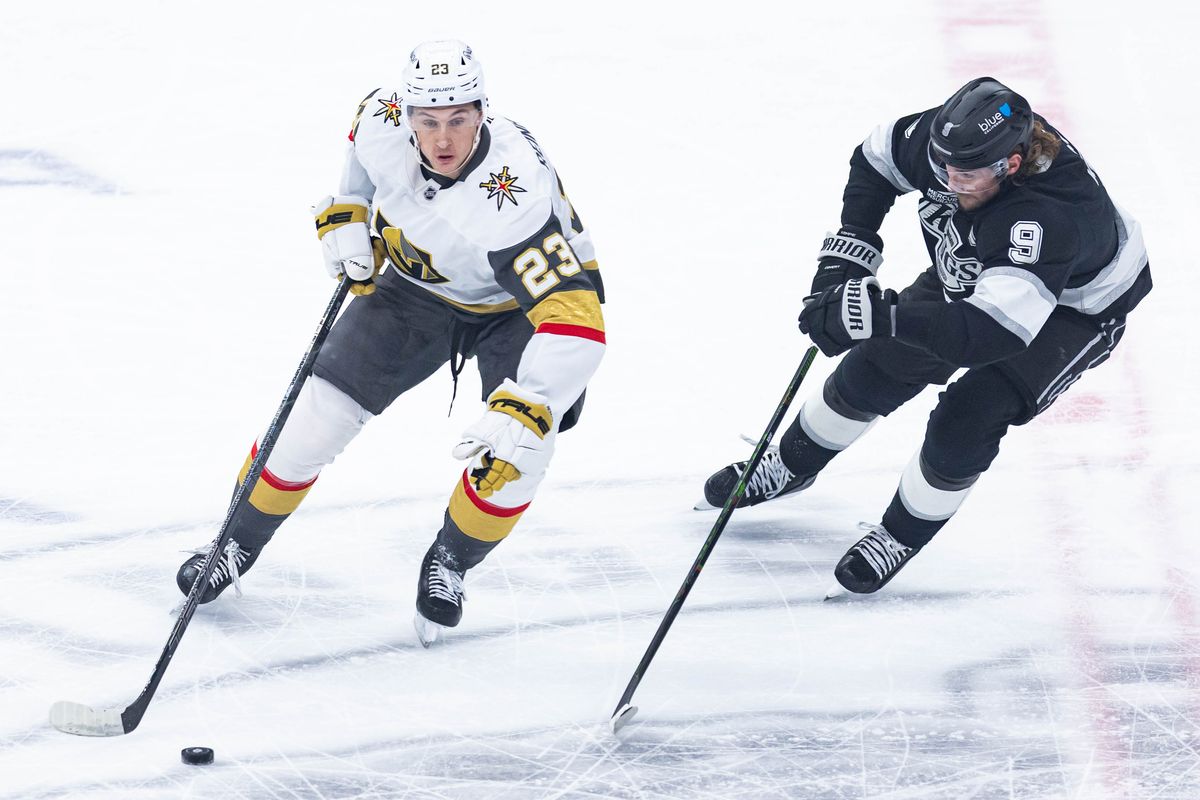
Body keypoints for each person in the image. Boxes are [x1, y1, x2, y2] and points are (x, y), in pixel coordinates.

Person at [176, 40, 606, 645]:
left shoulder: (513, 194)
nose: (443, 141)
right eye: (427, 122)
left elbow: (578, 318)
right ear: (404, 115)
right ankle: (233, 545)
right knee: (312, 420)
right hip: (415, 291)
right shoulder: (379, 116)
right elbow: (359, 168)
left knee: (519, 453)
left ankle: (451, 559)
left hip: (517, 311)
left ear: (483, 110)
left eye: (459, 120)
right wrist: (349, 213)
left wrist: (534, 399)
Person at [702, 77, 1150, 594]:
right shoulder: (951, 146)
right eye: (941, 168)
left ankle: (901, 534)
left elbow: (986, 333)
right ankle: (790, 465)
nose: (946, 181)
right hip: (986, 267)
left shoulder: (1046, 216)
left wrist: (881, 314)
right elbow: (875, 160)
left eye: (963, 176)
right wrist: (845, 261)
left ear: (1010, 165)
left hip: (1074, 309)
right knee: (880, 363)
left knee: (971, 413)